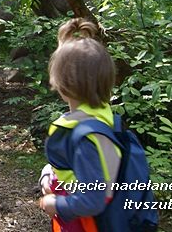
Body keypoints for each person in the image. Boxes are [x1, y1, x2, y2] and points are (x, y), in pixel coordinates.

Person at [38, 18, 121, 231]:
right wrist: (51, 171)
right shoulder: (103, 119)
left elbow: (92, 200)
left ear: (62, 83)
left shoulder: (84, 137)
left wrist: (55, 203)